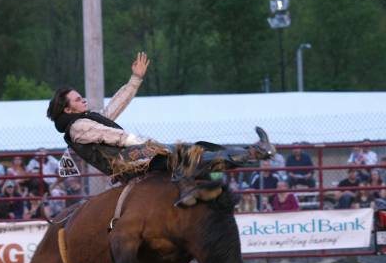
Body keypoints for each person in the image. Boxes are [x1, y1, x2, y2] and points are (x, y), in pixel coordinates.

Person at [46, 52, 275, 183]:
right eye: (77, 99)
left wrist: (135, 78)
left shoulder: (83, 122)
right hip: (131, 160)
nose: (82, 99)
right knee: (193, 154)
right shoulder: (78, 127)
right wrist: (141, 142)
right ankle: (254, 152)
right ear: (67, 109)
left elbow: (111, 111)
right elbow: (111, 134)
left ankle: (246, 155)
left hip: (132, 158)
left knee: (197, 150)